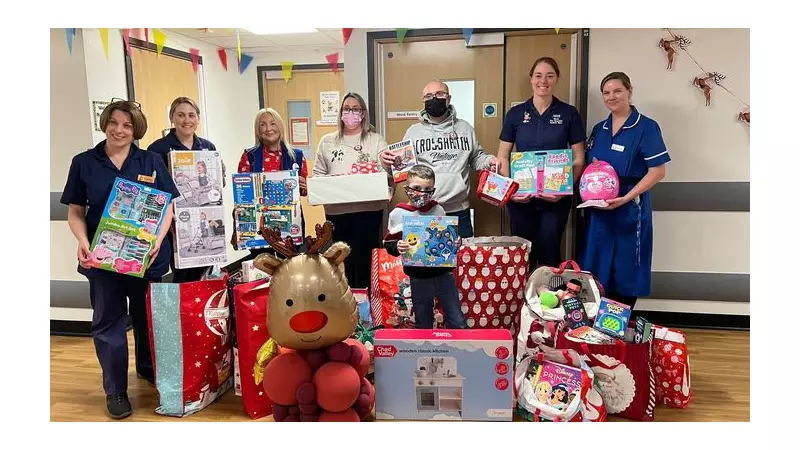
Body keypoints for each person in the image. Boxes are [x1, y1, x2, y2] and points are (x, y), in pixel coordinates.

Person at [60, 99, 179, 419]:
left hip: (146, 258)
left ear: (136, 129)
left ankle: (147, 369)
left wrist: (157, 238)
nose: (119, 130)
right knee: (109, 323)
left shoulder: (151, 161)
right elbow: (75, 211)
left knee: (147, 319)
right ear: (105, 123)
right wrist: (83, 242)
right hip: (103, 259)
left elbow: (167, 205)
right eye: (114, 122)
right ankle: (115, 390)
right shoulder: (84, 162)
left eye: (127, 125)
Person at [580, 72, 671, 310]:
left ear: (630, 91)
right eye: (606, 93)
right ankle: (599, 326)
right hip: (599, 210)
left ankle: (620, 323)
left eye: (617, 91)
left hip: (630, 207)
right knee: (598, 266)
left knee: (627, 267)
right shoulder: (599, 129)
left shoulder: (646, 127)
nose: (612, 97)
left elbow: (658, 171)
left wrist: (626, 198)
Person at [496, 57, 586, 272]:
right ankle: (522, 302)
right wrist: (511, 191)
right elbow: (502, 156)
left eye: (549, 75)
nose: (543, 81)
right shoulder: (515, 114)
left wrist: (564, 190)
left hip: (555, 201)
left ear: (556, 79)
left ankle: (547, 302)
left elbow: (579, 158)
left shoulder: (569, 113)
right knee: (522, 255)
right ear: (531, 79)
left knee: (549, 255)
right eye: (538, 75)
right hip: (520, 200)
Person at [380, 80, 496, 238]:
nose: (434, 99)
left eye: (439, 94)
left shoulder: (465, 128)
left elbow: (476, 157)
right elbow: (403, 168)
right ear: (423, 100)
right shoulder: (413, 132)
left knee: (461, 260)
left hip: (459, 212)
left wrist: (489, 161)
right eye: (429, 96)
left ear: (448, 98)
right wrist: (387, 163)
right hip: (424, 212)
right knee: (427, 260)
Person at [313, 92, 392, 292]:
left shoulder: (375, 140)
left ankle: (367, 307)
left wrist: (385, 169)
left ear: (363, 114)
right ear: (340, 113)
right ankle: (346, 303)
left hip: (369, 211)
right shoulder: (327, 141)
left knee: (366, 261)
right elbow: (318, 175)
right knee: (342, 262)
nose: (350, 113)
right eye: (346, 108)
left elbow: (387, 174)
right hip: (337, 213)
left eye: (355, 109)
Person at [147, 97, 223, 283]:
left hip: (202, 211)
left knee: (204, 272)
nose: (186, 120)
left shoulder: (207, 147)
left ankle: (199, 308)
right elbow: (152, 189)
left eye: (191, 115)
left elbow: (218, 186)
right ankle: (178, 310)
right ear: (172, 118)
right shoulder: (157, 148)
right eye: (180, 115)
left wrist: (220, 176)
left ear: (198, 118)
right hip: (169, 222)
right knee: (178, 273)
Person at [382, 165, 465, 329]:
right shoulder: (398, 213)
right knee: (423, 318)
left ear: (433, 189)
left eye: (428, 189)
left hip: (444, 273)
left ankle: (460, 350)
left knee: (456, 317)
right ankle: (424, 351)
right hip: (418, 277)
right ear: (406, 188)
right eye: (417, 188)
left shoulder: (438, 209)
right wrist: (397, 246)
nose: (422, 193)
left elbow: (448, 236)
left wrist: (456, 241)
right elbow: (388, 243)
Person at [236, 108, 308, 255]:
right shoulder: (249, 156)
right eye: (263, 125)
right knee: (263, 266)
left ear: (280, 126)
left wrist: (305, 186)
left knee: (290, 267)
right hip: (260, 225)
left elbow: (305, 192)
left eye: (273, 124)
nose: (268, 129)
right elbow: (242, 192)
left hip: (290, 223)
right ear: (257, 130)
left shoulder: (297, 156)